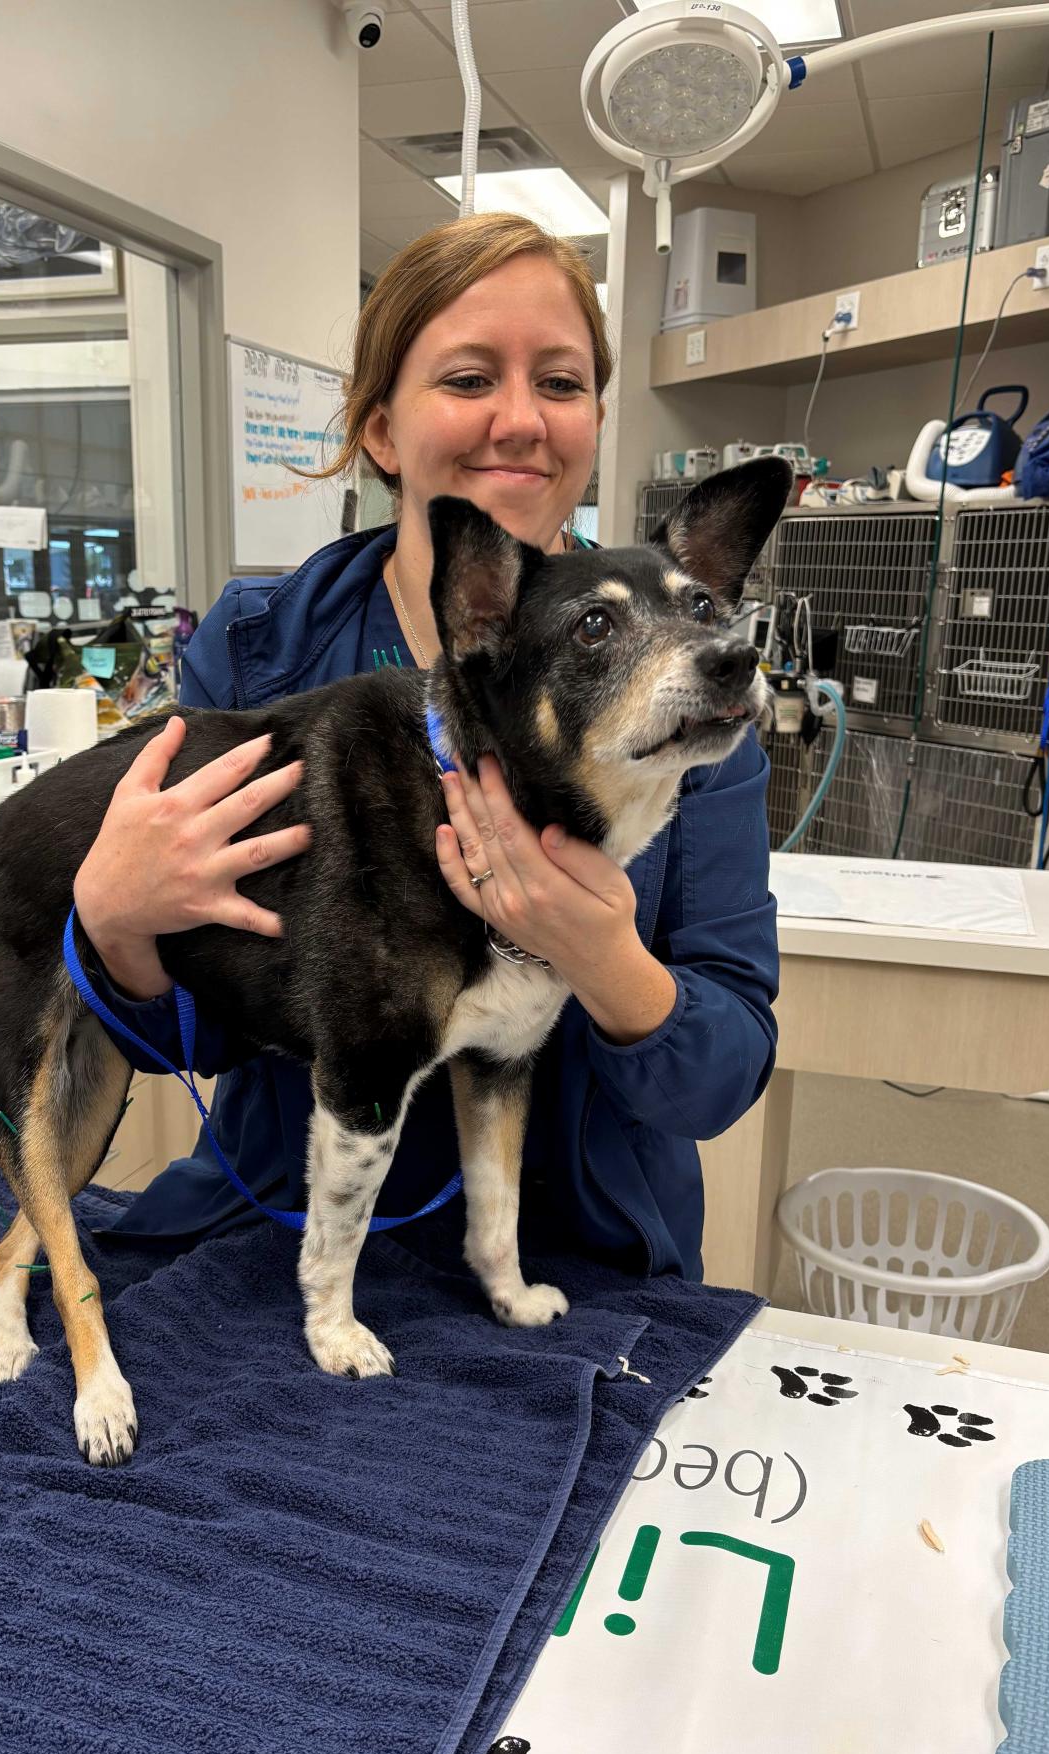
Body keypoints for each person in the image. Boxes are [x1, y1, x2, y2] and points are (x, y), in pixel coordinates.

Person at [72, 212, 778, 1282]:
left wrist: (602, 960)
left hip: (572, 1256)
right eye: (466, 379)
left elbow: (723, 1075)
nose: (519, 421)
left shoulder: (682, 699)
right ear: (382, 431)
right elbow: (190, 1040)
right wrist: (117, 927)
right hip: (282, 1234)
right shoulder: (261, 659)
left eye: (559, 381)